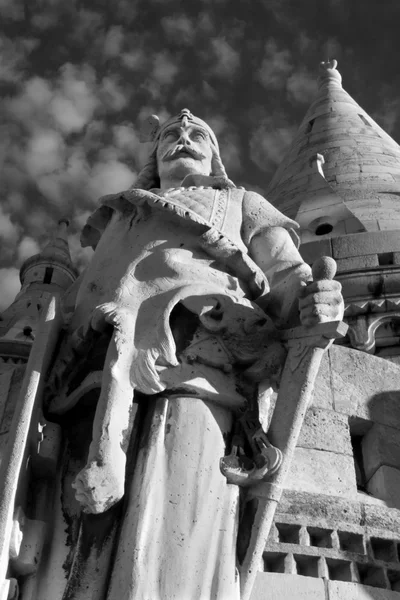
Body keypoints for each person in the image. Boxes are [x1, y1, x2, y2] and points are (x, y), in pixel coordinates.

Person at [68, 108, 343, 599]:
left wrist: (313, 300)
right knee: (79, 544)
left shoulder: (241, 202)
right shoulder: (123, 214)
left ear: (214, 154)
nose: (183, 138)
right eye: (170, 134)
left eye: (197, 134)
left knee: (172, 527)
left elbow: (287, 277)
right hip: (91, 376)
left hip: (199, 365)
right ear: (153, 155)